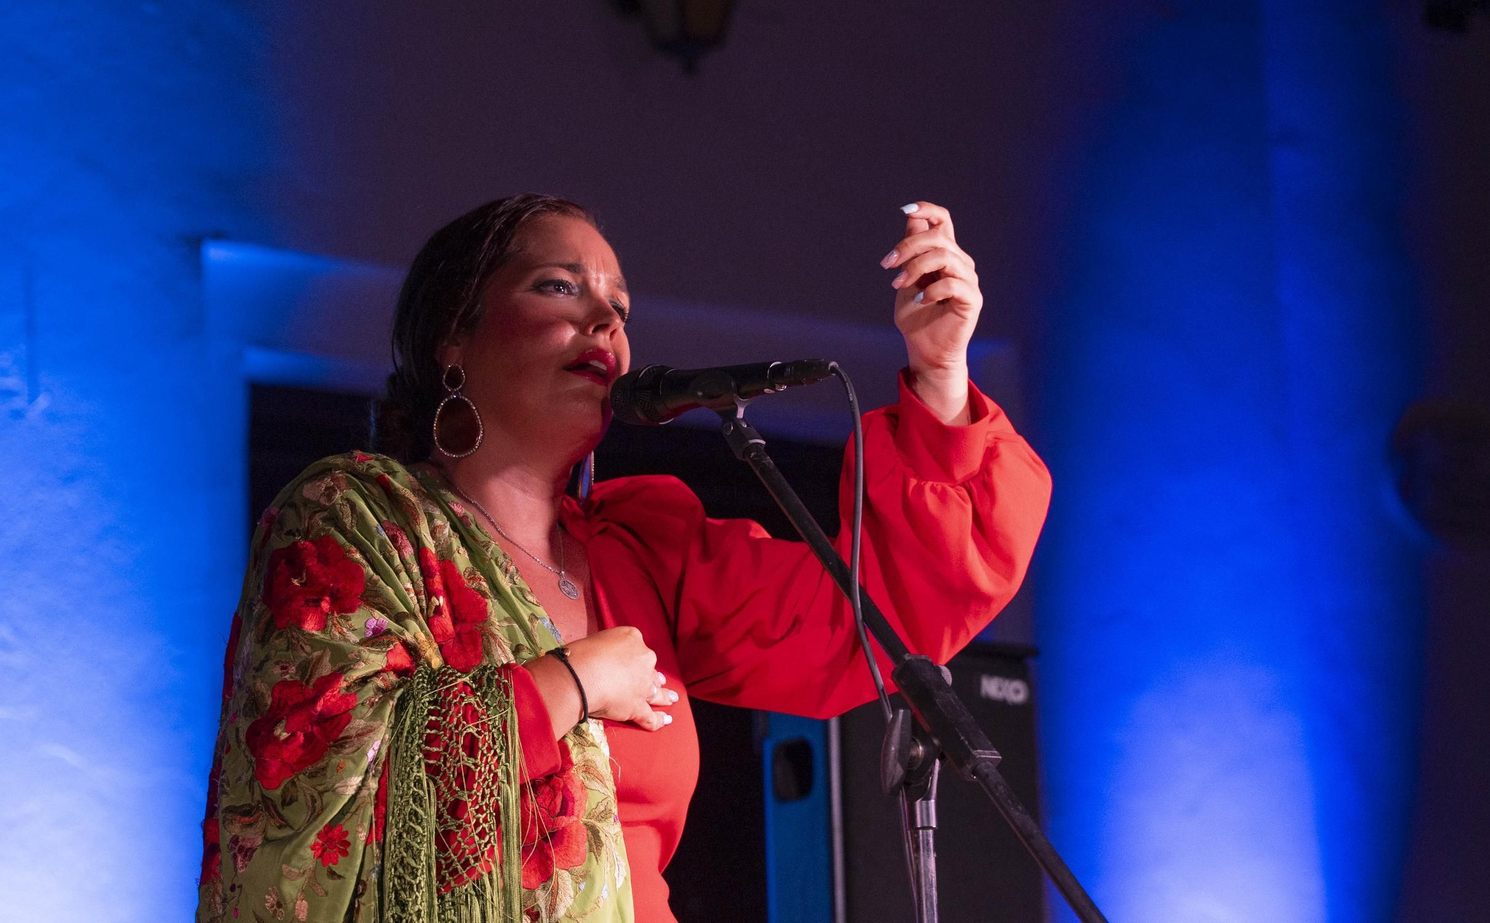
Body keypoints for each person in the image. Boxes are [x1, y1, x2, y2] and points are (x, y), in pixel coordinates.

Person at [197, 194, 1051, 923]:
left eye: (621, 308)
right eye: (559, 288)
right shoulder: (356, 522)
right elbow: (312, 796)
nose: (605, 321)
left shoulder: (640, 552)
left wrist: (940, 373)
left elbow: (878, 617)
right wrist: (569, 684)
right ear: (452, 336)